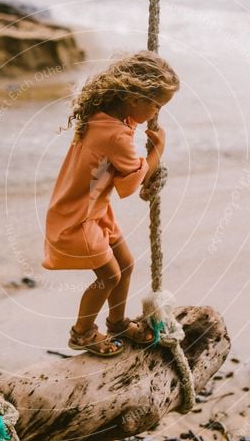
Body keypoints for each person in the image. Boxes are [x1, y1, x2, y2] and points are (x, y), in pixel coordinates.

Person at [42, 50, 180, 357]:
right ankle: (82, 333)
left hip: (93, 210)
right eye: (156, 104)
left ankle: (117, 322)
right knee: (109, 276)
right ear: (134, 99)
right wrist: (158, 150)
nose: (157, 111)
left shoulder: (104, 114)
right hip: (79, 217)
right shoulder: (117, 135)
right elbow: (129, 185)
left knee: (126, 265)